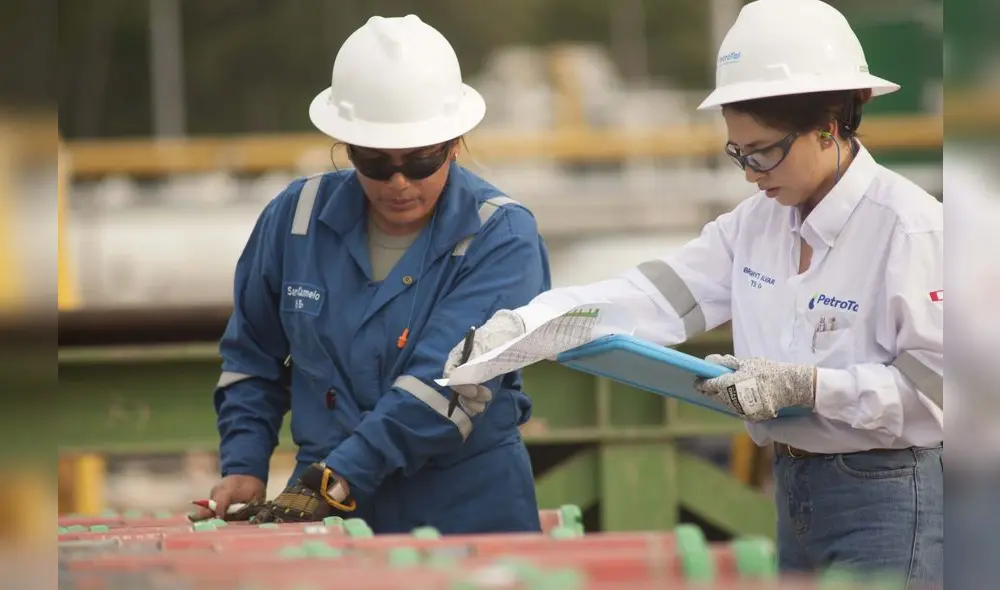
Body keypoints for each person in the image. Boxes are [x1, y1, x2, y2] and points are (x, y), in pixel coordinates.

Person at [443, 0, 942, 585]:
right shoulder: (754, 227)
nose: (751, 173)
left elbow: (940, 393)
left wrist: (810, 388)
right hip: (793, 488)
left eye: (764, 152)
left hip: (890, 495)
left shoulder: (911, 230)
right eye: (739, 153)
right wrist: (530, 325)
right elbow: (652, 297)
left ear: (830, 126)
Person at [193, 14, 552, 534]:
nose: (399, 182)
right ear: (347, 147)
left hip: (466, 512)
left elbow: (446, 384)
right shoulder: (296, 220)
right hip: (323, 507)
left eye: (420, 161)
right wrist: (244, 465)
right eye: (377, 163)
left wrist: (336, 479)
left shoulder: (501, 236)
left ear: (454, 142)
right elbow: (252, 357)